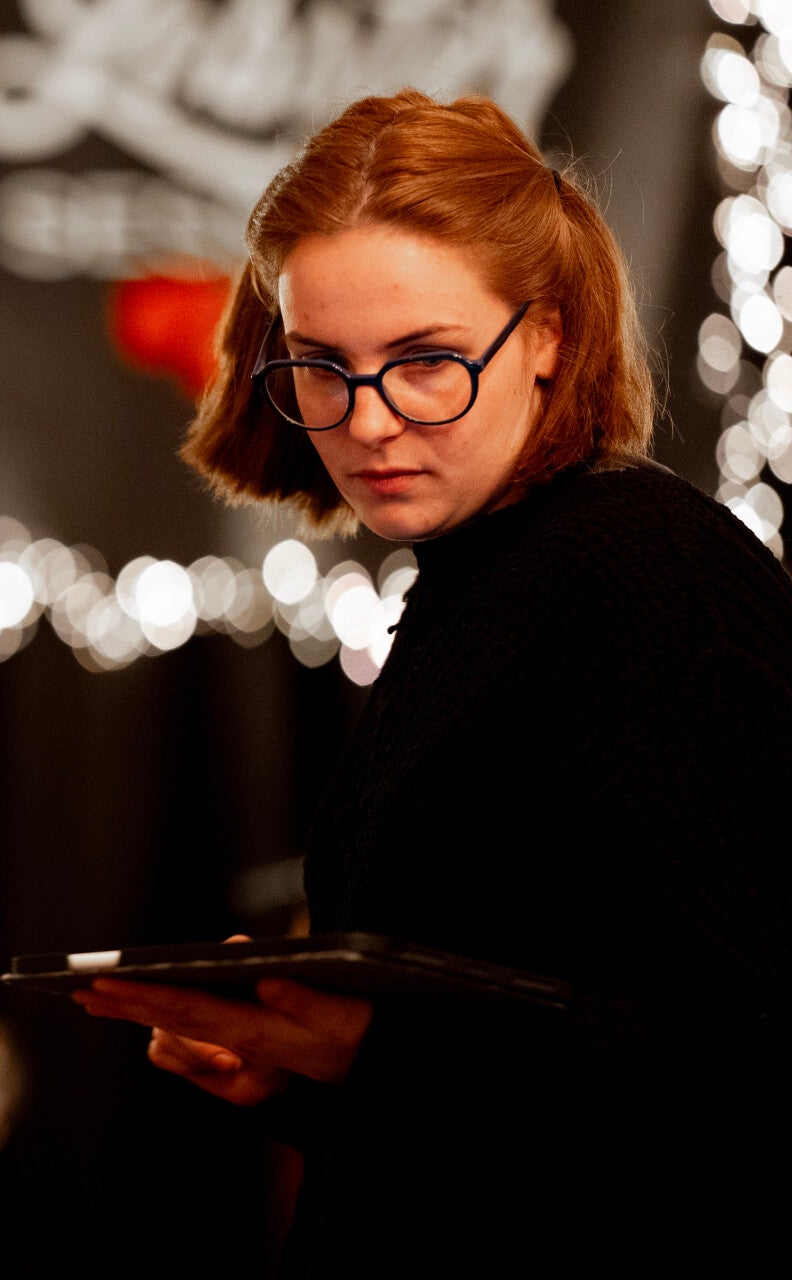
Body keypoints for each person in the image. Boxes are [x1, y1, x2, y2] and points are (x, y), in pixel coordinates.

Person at [73, 91, 792, 1274]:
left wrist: (371, 1054)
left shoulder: (644, 576)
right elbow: (497, 1121)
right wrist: (295, 1070)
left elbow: (737, 1079)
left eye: (425, 362)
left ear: (547, 335)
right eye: (321, 368)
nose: (368, 421)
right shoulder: (486, 579)